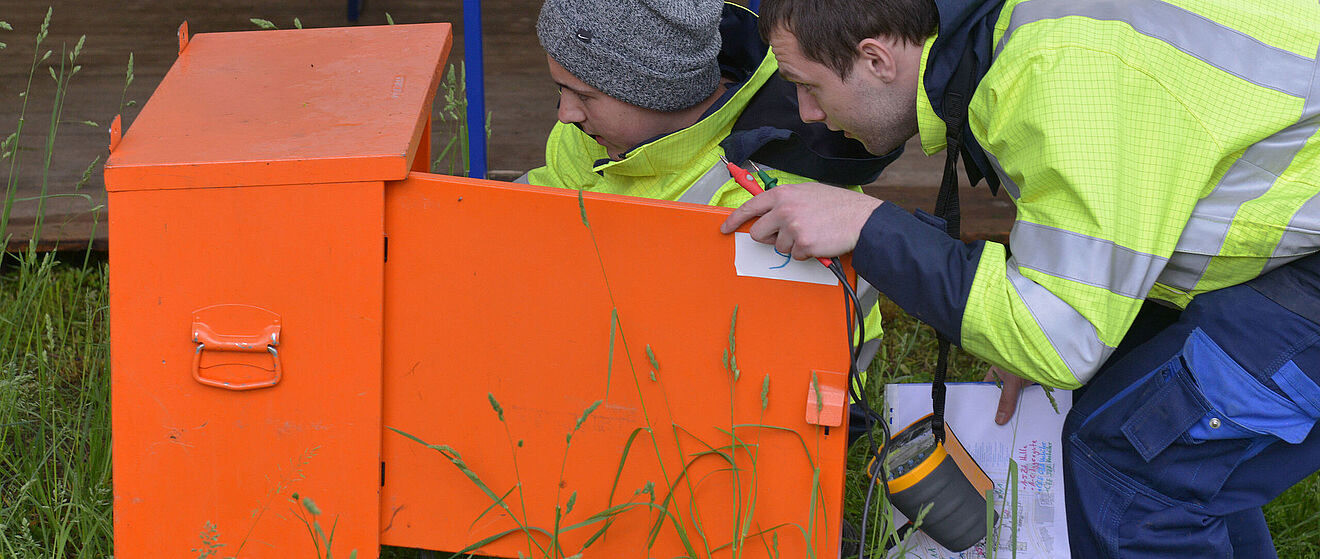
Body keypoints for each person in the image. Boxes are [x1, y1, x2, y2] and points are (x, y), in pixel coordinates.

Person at [719, 0, 1320, 557]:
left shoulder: (1065, 79)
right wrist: (1025, 315)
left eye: (806, 86)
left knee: (1129, 468)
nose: (807, 114)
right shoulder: (1021, 35)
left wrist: (872, 226)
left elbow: (1057, 340)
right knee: (1149, 420)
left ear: (876, 59)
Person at [524, 0, 898, 389]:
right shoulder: (591, 133)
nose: (565, 114)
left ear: (658, 92)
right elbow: (535, 215)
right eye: (561, 89)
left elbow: (812, 375)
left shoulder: (779, 201)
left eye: (584, 96)